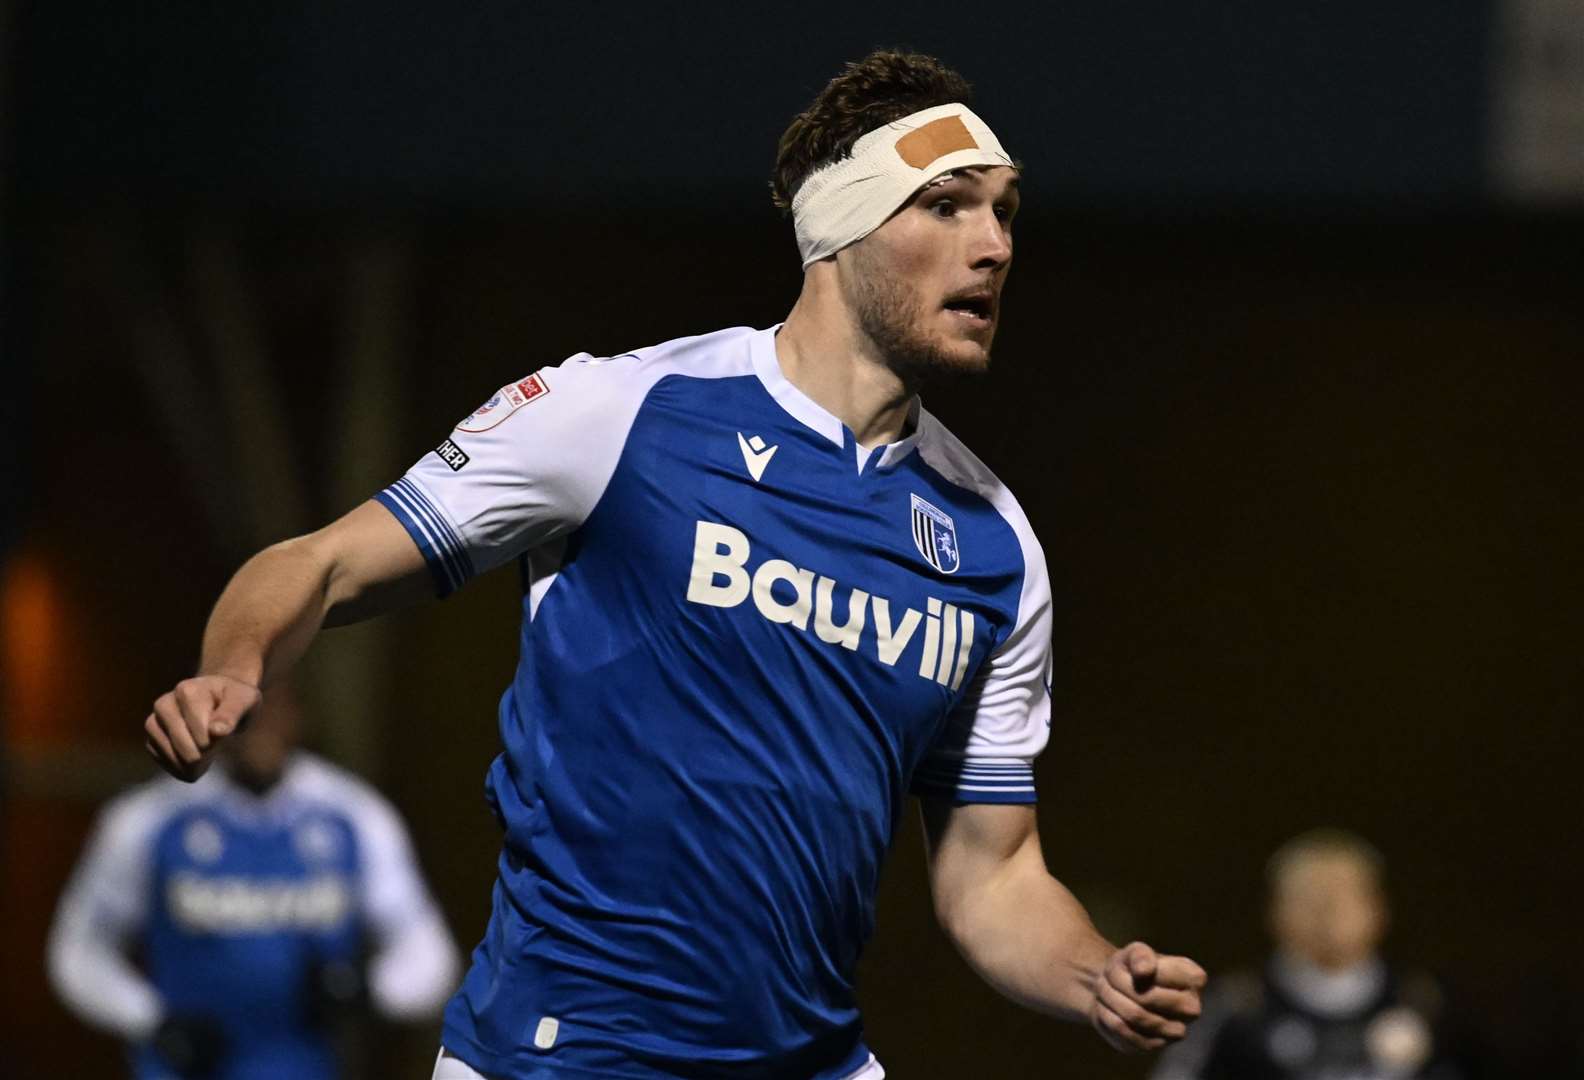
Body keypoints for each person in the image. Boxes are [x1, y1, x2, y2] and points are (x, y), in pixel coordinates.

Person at [142, 49, 1207, 1079]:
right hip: (559, 1056)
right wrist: (236, 665)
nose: (996, 245)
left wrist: (1092, 975)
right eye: (949, 205)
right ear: (839, 226)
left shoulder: (992, 542)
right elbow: (318, 562)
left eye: (1006, 212)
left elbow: (994, 875)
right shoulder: (620, 411)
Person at [52, 683, 460, 1079]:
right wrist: (149, 1019)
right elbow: (79, 951)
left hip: (305, 1066)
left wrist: (367, 990)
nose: (260, 724)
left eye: (274, 703)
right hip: (184, 1066)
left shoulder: (354, 815)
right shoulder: (148, 819)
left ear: (300, 711)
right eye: (243, 711)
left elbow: (430, 957)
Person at [1149, 829, 1470, 1080]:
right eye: (1308, 897)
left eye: (1344, 894)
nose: (1328, 912)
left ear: (1378, 909)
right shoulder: (1234, 1009)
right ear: (1274, 912)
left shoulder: (1425, 1003)